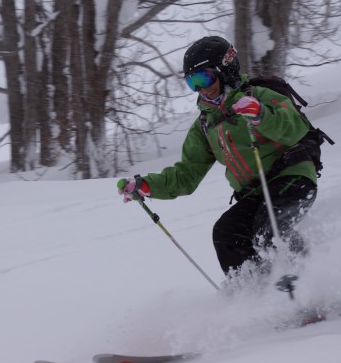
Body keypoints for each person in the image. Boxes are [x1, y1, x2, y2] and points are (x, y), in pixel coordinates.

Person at [117, 36, 318, 278]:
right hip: (254, 193)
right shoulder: (205, 124)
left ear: (226, 70)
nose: (201, 89)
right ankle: (257, 295)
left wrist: (260, 114)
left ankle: (312, 285)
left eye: (204, 78)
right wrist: (148, 186)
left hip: (291, 177)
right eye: (193, 83)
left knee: (270, 230)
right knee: (226, 233)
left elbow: (294, 128)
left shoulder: (259, 96)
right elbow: (187, 173)